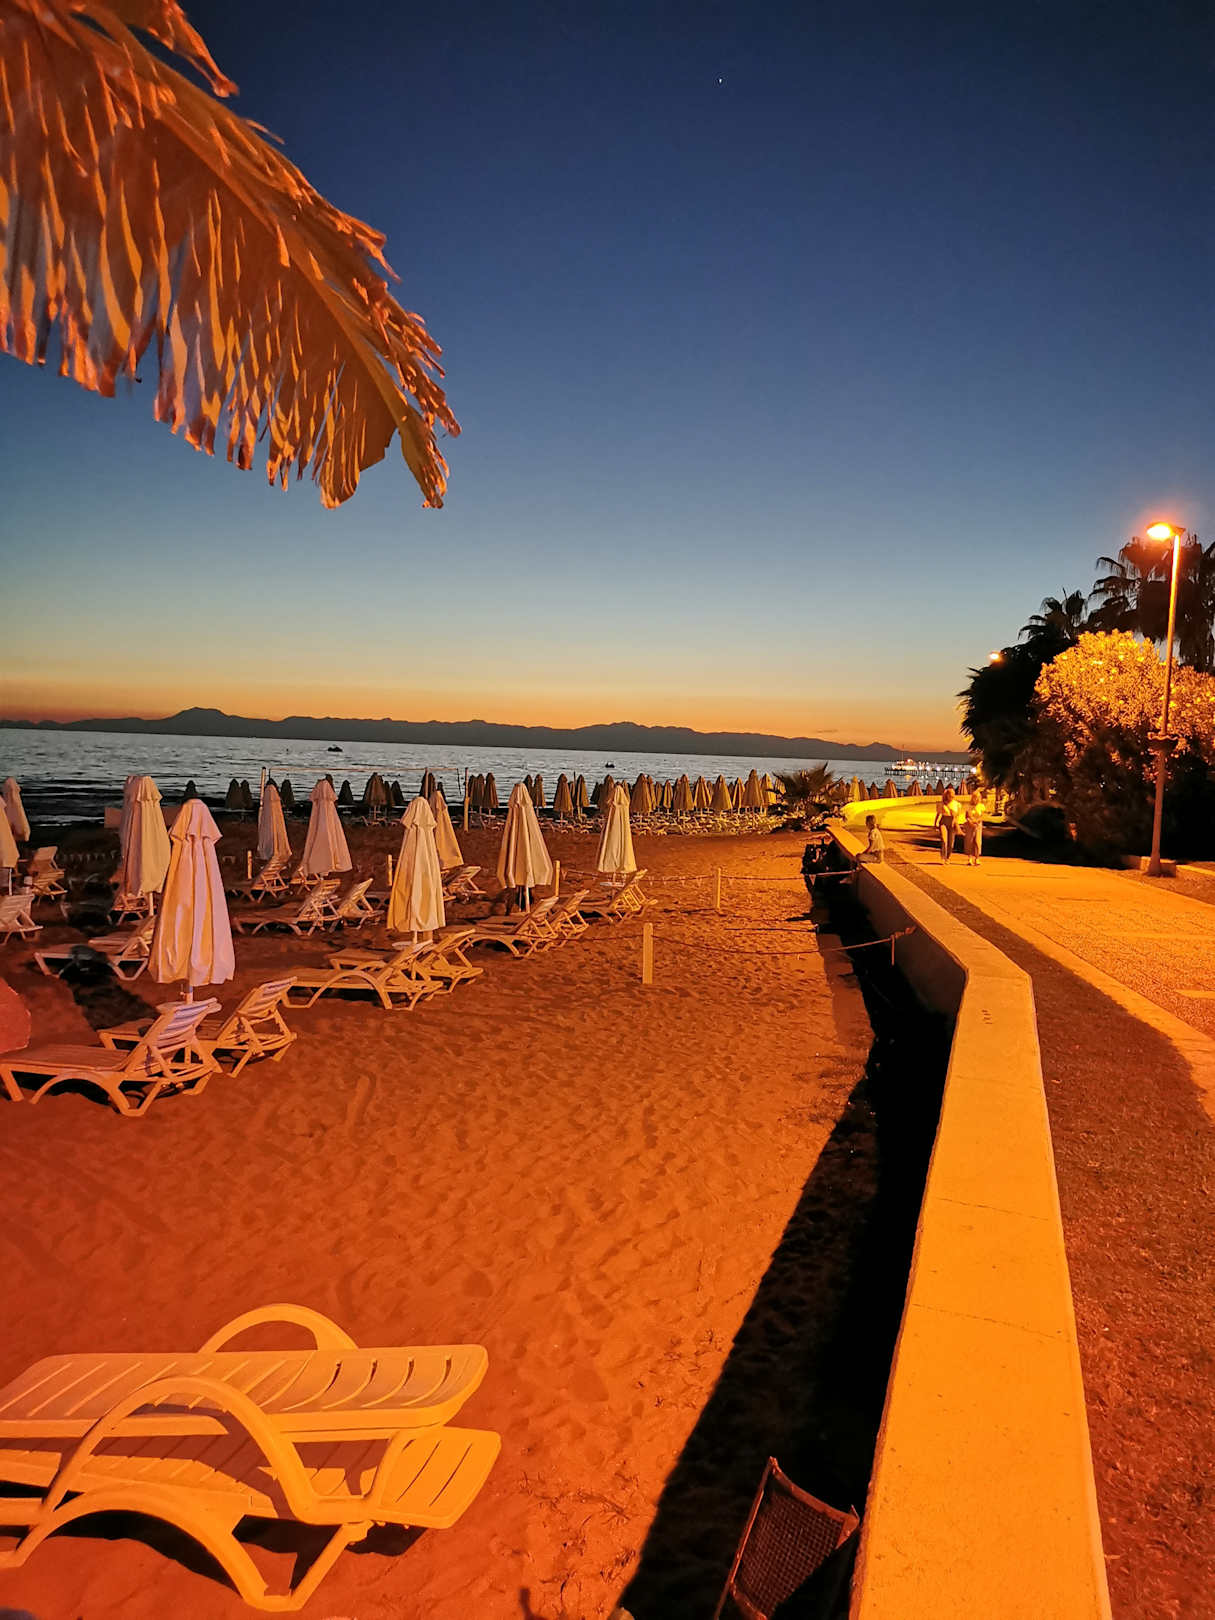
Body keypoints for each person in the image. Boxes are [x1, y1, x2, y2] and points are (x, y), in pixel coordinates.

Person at [935, 786, 960, 863]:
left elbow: (957, 816)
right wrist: (935, 823)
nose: (952, 797)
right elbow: (938, 814)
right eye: (951, 795)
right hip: (943, 821)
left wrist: (956, 823)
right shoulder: (942, 804)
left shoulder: (957, 804)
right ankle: (943, 857)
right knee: (944, 840)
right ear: (947, 795)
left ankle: (948, 857)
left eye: (953, 795)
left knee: (951, 843)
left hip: (952, 822)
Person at [964, 790, 986, 866]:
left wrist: (977, 821)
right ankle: (969, 858)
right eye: (974, 797)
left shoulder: (981, 806)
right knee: (969, 841)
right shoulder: (968, 806)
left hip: (978, 825)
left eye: (977, 797)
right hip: (970, 825)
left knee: (977, 841)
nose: (976, 799)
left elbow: (982, 816)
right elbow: (966, 816)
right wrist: (970, 821)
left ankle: (977, 858)